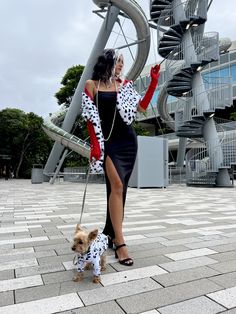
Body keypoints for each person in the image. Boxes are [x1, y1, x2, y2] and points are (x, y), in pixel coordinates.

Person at [82, 49, 160, 266]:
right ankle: (120, 242)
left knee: (119, 188)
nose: (121, 66)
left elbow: (142, 107)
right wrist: (95, 146)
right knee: (116, 185)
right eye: (118, 61)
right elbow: (89, 118)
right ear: (108, 62)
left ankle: (110, 232)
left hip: (127, 141)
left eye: (122, 63)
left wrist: (153, 82)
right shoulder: (91, 85)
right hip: (107, 142)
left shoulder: (125, 85)